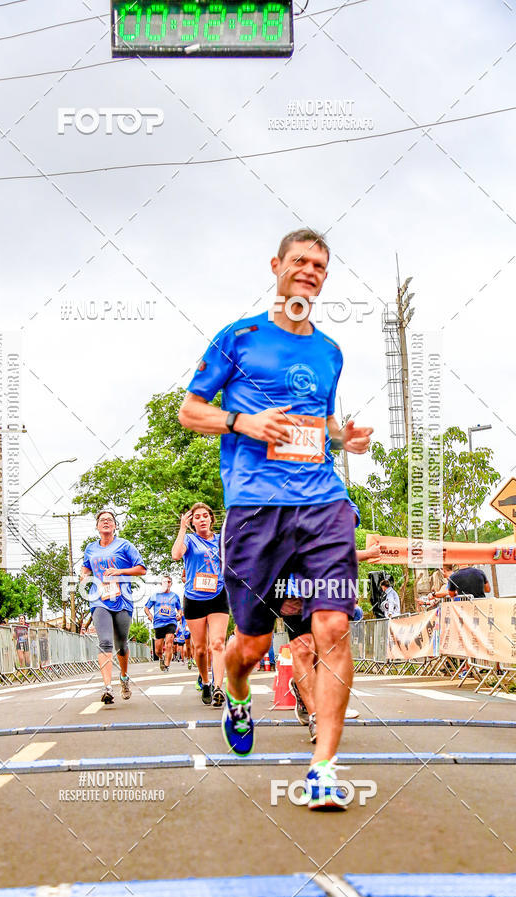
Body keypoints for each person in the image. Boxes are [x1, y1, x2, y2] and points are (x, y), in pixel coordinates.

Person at [178, 228, 372, 809]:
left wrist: (345, 437)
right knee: (252, 642)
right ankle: (238, 694)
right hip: (256, 507)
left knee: (333, 627)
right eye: (301, 261)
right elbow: (191, 411)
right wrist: (245, 423)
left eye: (320, 264)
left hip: (322, 502)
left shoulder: (330, 351)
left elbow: (323, 423)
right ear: (277, 267)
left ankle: (324, 768)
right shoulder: (239, 338)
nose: (310, 271)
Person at [286, 525, 381, 742]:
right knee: (302, 649)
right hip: (291, 591)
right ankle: (316, 717)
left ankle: (313, 697)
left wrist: (368, 554)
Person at [80, 510, 146, 704]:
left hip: (122, 599)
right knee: (105, 641)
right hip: (99, 599)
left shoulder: (125, 545)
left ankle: (124, 677)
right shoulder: (91, 548)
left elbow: (141, 569)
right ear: (97, 527)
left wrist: (120, 571)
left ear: (115, 526)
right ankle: (107, 687)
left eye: (110, 520)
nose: (106, 522)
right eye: (102, 520)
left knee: (121, 644)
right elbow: (86, 568)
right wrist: (84, 575)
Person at [172, 503, 229, 707]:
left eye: (206, 516)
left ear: (211, 519)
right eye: (197, 517)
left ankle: (218, 687)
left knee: (218, 643)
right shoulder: (188, 539)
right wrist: (182, 528)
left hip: (218, 595)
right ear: (192, 521)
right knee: (201, 649)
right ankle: (205, 681)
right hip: (194, 598)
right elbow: (176, 555)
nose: (202, 519)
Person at [145, 576, 182, 672]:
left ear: (171, 584)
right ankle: (161, 658)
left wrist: (179, 614)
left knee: (169, 643)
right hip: (158, 623)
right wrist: (149, 615)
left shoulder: (175, 596)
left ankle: (167, 665)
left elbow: (179, 609)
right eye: (165, 582)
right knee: (158, 650)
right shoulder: (155, 595)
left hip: (171, 622)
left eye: (169, 582)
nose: (167, 583)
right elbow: (146, 608)